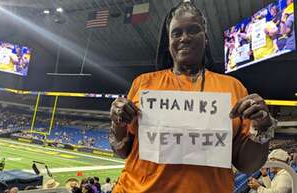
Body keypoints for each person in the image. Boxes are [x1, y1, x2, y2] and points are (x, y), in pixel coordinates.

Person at [109, 1, 275, 193]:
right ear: (169, 42)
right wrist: (118, 123)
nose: (184, 38)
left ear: (205, 37)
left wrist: (262, 126)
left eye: (193, 30)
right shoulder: (143, 84)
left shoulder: (233, 88)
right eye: (176, 33)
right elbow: (123, 152)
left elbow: (247, 165)